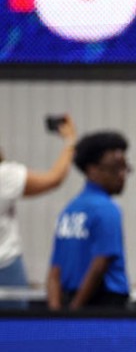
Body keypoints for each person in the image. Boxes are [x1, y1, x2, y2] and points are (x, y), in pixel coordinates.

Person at [46, 131, 131, 310]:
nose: (122, 175)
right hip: (103, 303)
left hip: (70, 300)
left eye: (125, 168)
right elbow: (100, 264)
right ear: (92, 170)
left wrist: (55, 313)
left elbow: (55, 271)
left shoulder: (69, 209)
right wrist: (77, 311)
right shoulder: (107, 210)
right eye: (116, 168)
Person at [0, 115, 78, 307]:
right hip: (5, 263)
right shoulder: (5, 176)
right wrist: (70, 140)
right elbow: (55, 178)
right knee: (16, 330)